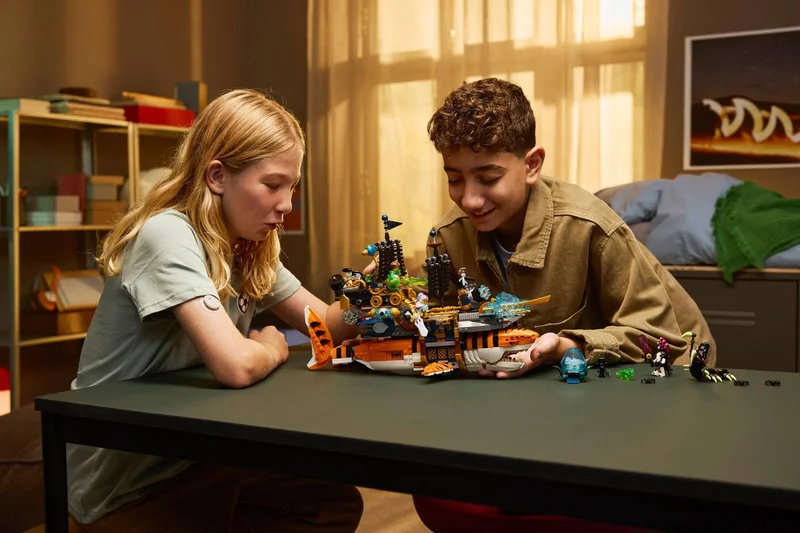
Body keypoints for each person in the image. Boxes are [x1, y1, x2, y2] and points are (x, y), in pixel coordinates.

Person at [412, 77, 715, 532]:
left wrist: (567, 345)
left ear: (532, 165)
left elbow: (661, 338)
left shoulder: (592, 227)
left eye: (489, 178)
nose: (469, 198)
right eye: (454, 179)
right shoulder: (447, 237)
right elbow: (439, 328)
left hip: (661, 379)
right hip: (544, 398)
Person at [67, 89, 363, 533]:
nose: (286, 204)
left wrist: (367, 299)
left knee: (333, 503)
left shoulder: (246, 246)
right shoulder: (167, 234)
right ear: (218, 176)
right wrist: (270, 345)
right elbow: (236, 365)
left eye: (292, 187)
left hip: (191, 455)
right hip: (122, 481)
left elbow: (327, 327)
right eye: (273, 185)